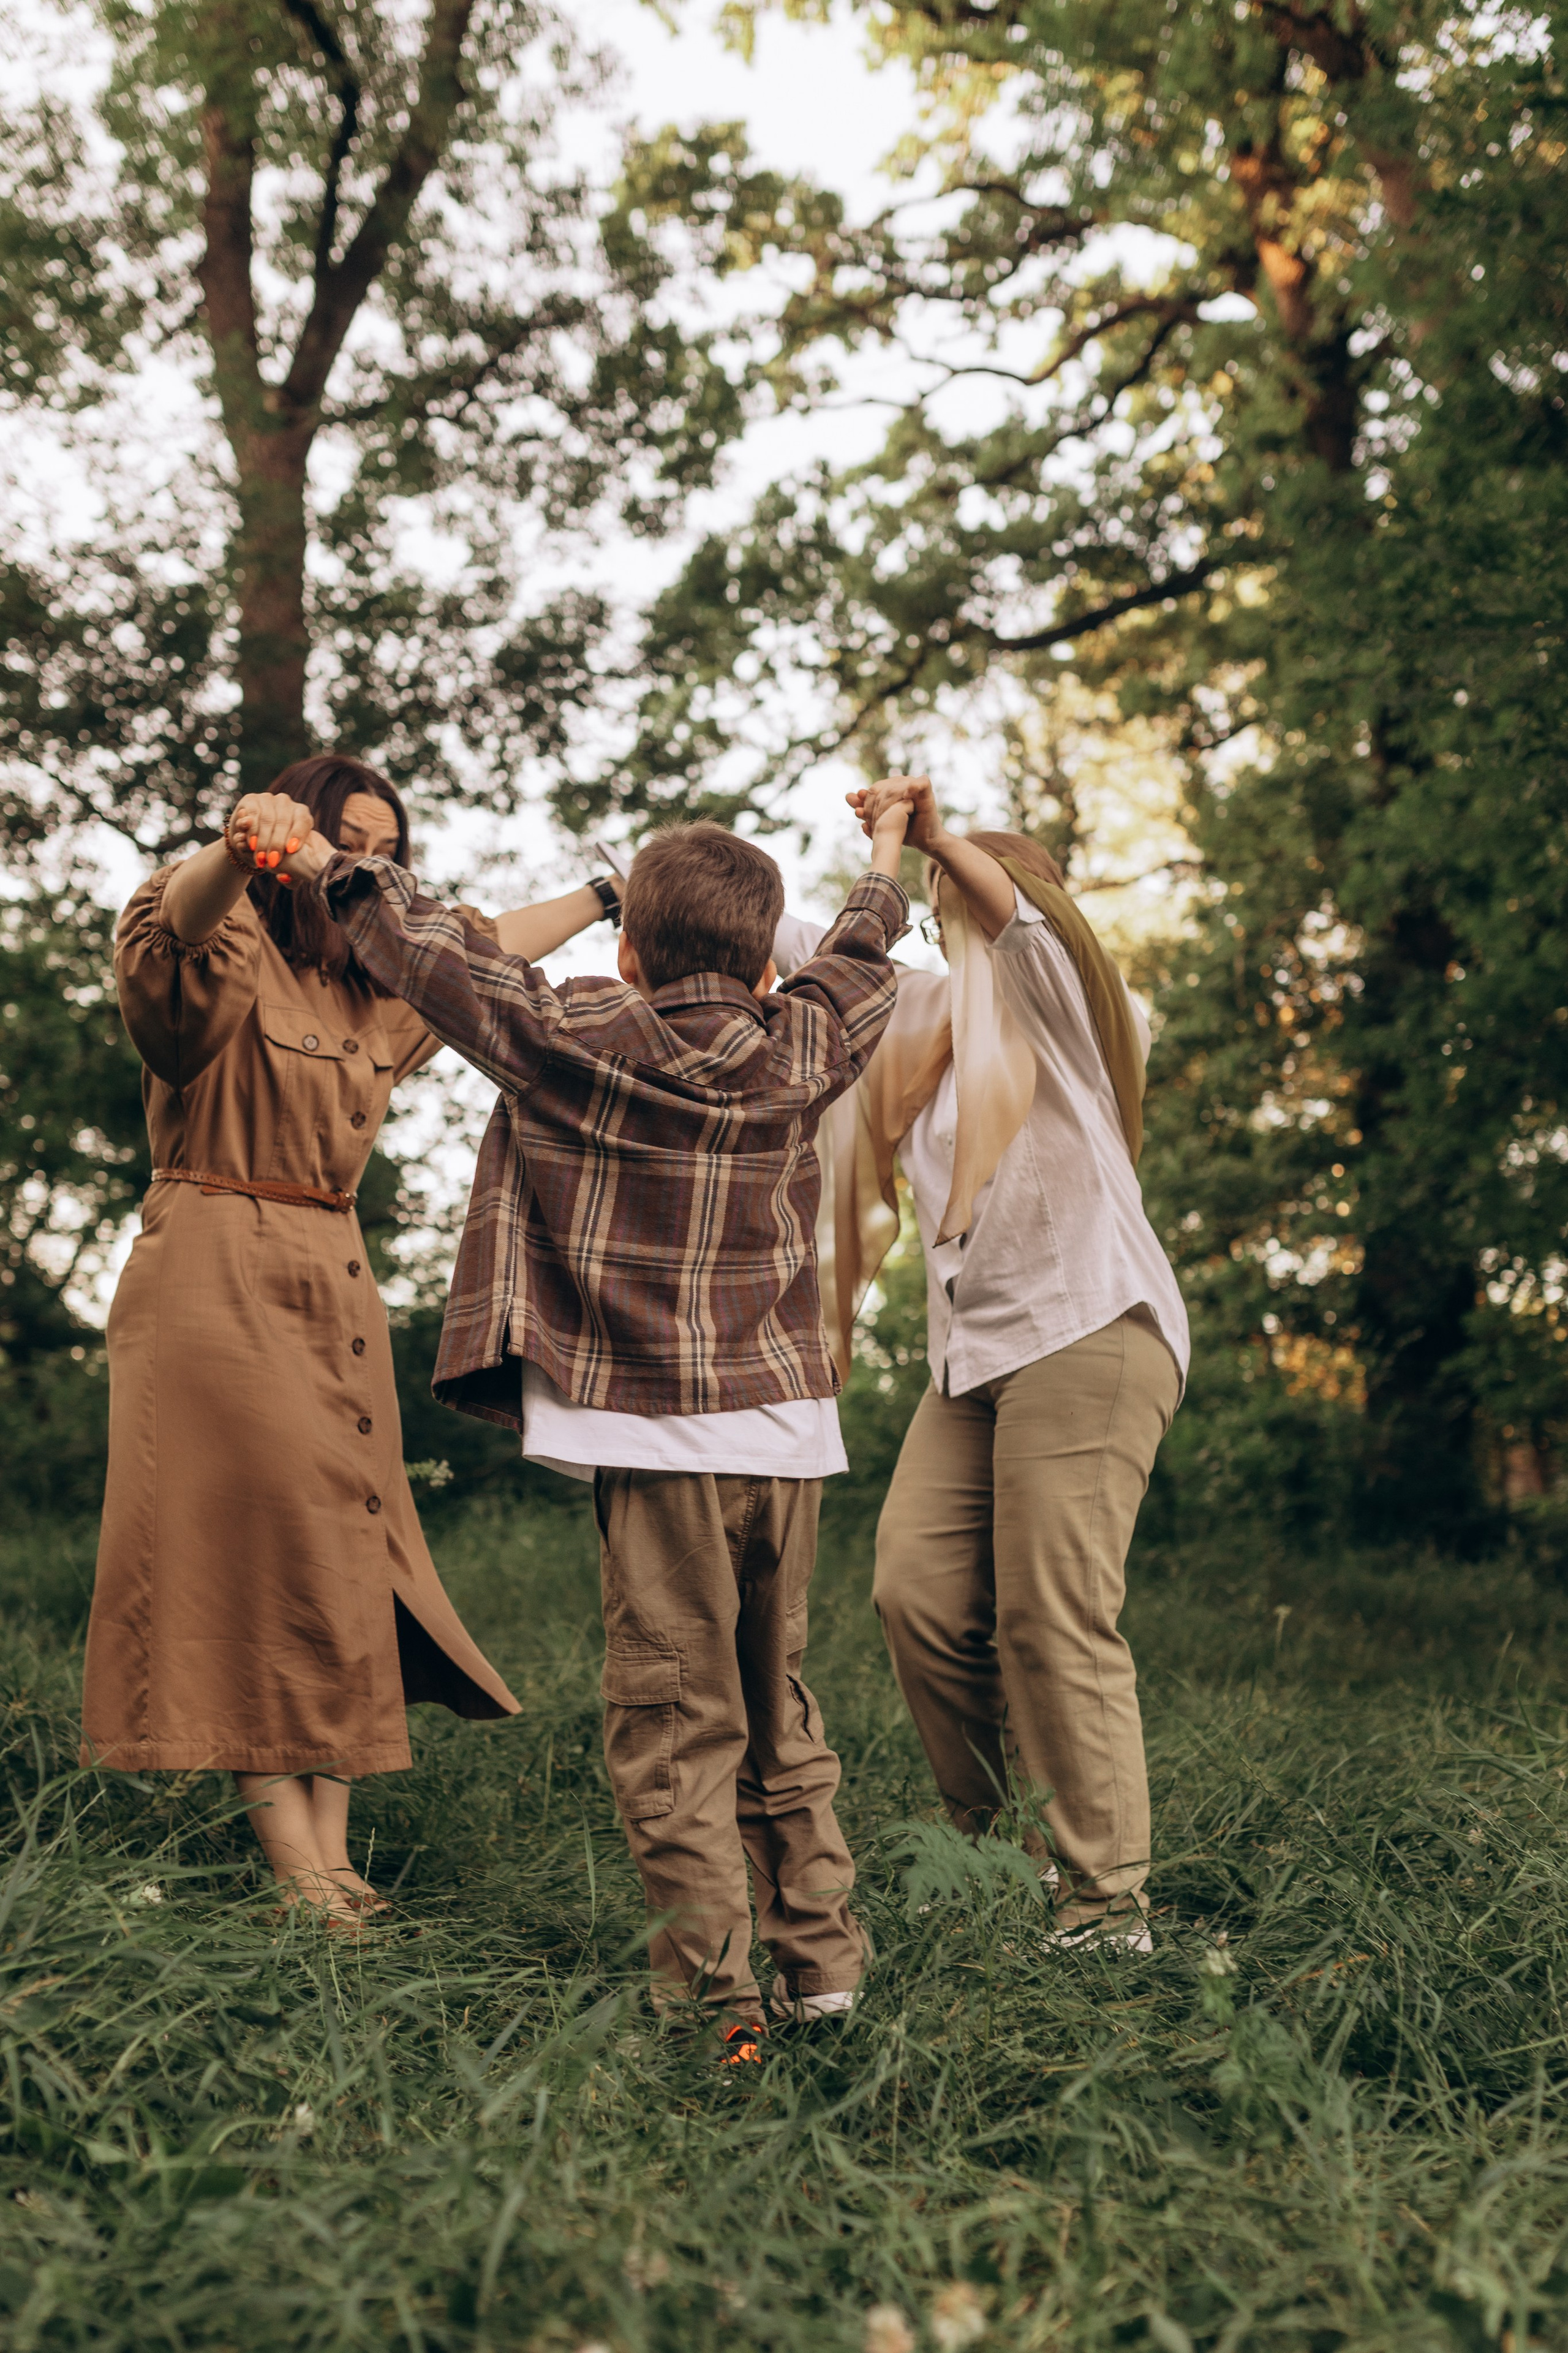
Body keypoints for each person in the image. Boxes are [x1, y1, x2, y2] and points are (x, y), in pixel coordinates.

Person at [274, 803, 914, 2043]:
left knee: (675, 1724)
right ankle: (825, 1973)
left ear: (631, 953)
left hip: (655, 1433)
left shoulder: (577, 1031)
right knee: (775, 1704)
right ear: (763, 962)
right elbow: (865, 943)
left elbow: (427, 955)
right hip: (785, 1431)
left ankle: (717, 2006)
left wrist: (316, 863)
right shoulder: (808, 1039)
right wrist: (887, 841)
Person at [77, 758, 614, 1923]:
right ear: (291, 847)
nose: (365, 863)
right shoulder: (218, 947)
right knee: (249, 1563)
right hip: (213, 1271)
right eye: (343, 838)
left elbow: (484, 945)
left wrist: (613, 893)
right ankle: (301, 1874)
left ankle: (331, 1859)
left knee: (330, 1561)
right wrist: (235, 843)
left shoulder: (378, 991)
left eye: (387, 847)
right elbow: (172, 927)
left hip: (333, 1280)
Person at [780, 774, 1189, 1951]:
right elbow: (799, 943)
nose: (945, 921)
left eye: (965, 900)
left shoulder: (1079, 1009)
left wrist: (934, 836)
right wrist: (671, 878)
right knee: (913, 1590)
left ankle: (1107, 1905)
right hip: (976, 1361)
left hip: (1090, 1327)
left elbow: (1019, 927)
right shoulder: (921, 1027)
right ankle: (998, 1849)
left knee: (1052, 1616)